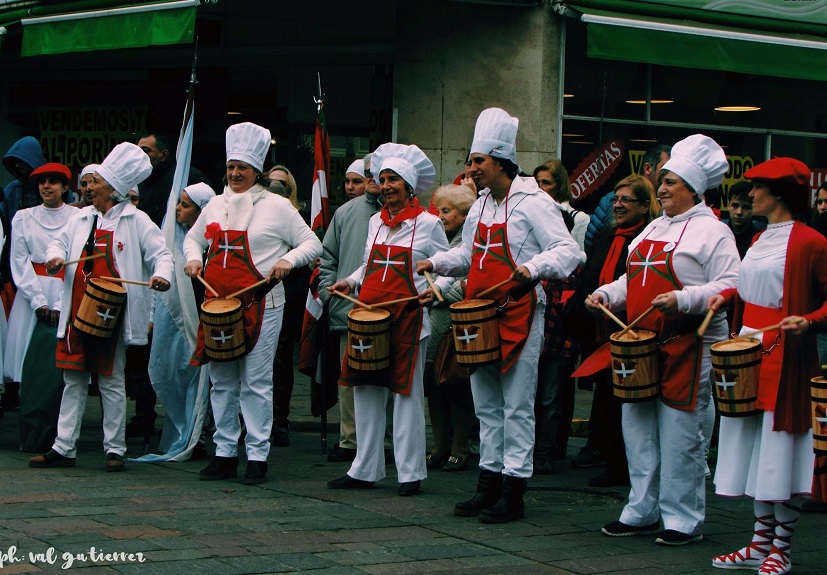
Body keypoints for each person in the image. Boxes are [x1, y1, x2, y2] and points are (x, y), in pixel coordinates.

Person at [418, 108, 581, 522]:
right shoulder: (481, 205)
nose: (471, 169)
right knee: (486, 406)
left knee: (517, 407)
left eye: (477, 162)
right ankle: (487, 485)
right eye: (471, 161)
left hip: (520, 313)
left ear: (501, 160)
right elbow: (469, 255)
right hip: (480, 317)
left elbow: (568, 251)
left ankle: (514, 491)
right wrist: (436, 262)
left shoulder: (535, 202)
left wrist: (532, 268)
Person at [586, 134, 740, 545]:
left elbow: (731, 284)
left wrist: (684, 298)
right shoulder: (654, 225)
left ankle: (683, 519)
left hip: (688, 343)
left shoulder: (714, 231)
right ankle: (641, 508)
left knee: (680, 433)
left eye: (672, 181)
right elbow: (631, 277)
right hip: (640, 343)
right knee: (636, 427)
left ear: (694, 188)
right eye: (664, 180)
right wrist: (608, 295)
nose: (663, 187)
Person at [184, 122, 321, 485]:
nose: (235, 173)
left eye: (242, 168)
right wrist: (193, 258)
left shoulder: (277, 207)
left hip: (264, 304)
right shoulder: (215, 204)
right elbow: (192, 240)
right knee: (221, 380)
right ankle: (225, 452)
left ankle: (257, 455)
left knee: (257, 382)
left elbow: (312, 243)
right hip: (217, 306)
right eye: (230, 167)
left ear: (256, 170)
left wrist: (288, 261)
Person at [708, 157, 827, 574]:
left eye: (757, 188)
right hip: (750, 349)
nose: (750, 194)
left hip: (786, 357)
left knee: (779, 451)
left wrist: (810, 320)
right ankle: (760, 543)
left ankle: (782, 548)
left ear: (777, 193)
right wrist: (725, 298)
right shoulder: (759, 240)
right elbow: (748, 288)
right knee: (756, 449)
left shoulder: (811, 242)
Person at [28, 142, 173, 472]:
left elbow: (162, 255)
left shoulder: (137, 221)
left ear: (114, 188)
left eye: (96, 183)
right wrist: (54, 257)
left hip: (111, 312)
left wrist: (162, 276)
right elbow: (59, 243)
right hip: (78, 308)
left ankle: (115, 449)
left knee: (110, 380)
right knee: (73, 379)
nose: (89, 187)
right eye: (89, 183)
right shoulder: (81, 218)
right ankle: (63, 447)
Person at [327, 142, 449, 497]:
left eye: (394, 179)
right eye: (382, 179)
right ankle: (364, 469)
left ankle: (410, 473)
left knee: (406, 394)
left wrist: (437, 289)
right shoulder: (373, 223)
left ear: (410, 186)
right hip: (369, 316)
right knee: (364, 389)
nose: (387, 186)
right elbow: (369, 265)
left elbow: (446, 266)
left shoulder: (429, 224)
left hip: (409, 317)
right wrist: (350, 280)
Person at [567, 174, 659, 486]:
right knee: (605, 395)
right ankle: (606, 453)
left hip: (629, 332)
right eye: (615, 200)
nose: (617, 205)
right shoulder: (608, 236)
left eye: (625, 200)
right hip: (599, 330)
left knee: (625, 398)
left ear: (645, 207)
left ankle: (622, 463)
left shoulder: (647, 240)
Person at [136, 182, 216, 462]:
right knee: (174, 370)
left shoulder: (211, 242)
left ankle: (200, 433)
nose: (178, 210)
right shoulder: (168, 236)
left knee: (203, 376)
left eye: (185, 205)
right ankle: (179, 426)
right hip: (175, 320)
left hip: (202, 316)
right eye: (178, 203)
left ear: (201, 211)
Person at [5, 163, 78, 452]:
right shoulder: (23, 217)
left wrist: (61, 303)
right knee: (28, 361)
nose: (47, 187)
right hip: (31, 293)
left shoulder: (77, 216)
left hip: (67, 290)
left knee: (63, 367)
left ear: (64, 187)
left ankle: (61, 434)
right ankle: (32, 430)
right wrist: (38, 301)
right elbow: (19, 261)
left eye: (53, 182)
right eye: (42, 183)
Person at [316, 154, 384, 464]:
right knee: (350, 379)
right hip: (349, 312)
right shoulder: (345, 213)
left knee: (389, 379)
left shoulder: (412, 215)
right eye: (367, 173)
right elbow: (327, 257)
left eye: (378, 173)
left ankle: (387, 441)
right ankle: (350, 440)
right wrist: (328, 293)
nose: (372, 179)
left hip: (391, 312)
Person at [424, 183, 478, 472]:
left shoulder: (466, 242)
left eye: (447, 210)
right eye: (439, 209)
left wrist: (437, 295)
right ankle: (438, 445)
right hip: (435, 325)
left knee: (457, 385)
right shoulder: (438, 237)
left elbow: (468, 285)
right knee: (434, 386)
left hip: (458, 326)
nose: (440, 215)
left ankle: (460, 447)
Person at [266, 164, 313, 448]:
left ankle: (279, 420)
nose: (275, 188)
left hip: (286, 301)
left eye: (281, 184)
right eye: (270, 183)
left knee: (281, 365)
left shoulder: (297, 220)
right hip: (257, 299)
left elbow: (304, 268)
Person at [584, 144, 670, 252]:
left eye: (625, 200)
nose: (618, 205)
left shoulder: (671, 206)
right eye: (665, 168)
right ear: (648, 168)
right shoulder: (609, 200)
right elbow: (591, 242)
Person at [136, 133, 212, 227]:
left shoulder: (188, 176)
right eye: (138, 151)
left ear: (163, 155)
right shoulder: (137, 179)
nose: (139, 155)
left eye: (146, 151)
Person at [533, 159, 589, 253]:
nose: (540, 188)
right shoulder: (532, 214)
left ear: (559, 187)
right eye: (537, 182)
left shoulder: (579, 219)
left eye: (546, 183)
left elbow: (585, 259)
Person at [724, 181, 767, 259]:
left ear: (753, 208)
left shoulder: (761, 239)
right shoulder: (719, 234)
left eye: (745, 207)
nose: (739, 212)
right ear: (728, 205)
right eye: (735, 206)